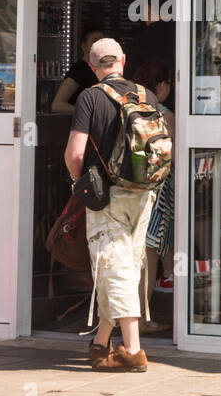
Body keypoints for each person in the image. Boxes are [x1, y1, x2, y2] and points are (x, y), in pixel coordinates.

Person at [64, 38, 161, 371]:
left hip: (109, 197)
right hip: (144, 194)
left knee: (114, 269)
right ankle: (101, 342)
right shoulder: (147, 96)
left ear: (92, 68)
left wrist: (83, 187)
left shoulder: (91, 96)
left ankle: (133, 350)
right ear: (123, 59)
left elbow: (75, 154)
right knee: (122, 267)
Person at [132, 59, 174, 334]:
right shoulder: (163, 113)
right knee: (149, 257)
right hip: (158, 192)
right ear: (161, 85)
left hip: (130, 190)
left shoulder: (128, 108)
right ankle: (141, 320)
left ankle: (116, 316)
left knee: (134, 255)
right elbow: (176, 154)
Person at [51, 24, 104, 114]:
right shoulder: (79, 70)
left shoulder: (103, 71)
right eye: (95, 41)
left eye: (102, 42)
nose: (100, 45)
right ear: (84, 46)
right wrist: (88, 114)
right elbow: (57, 105)